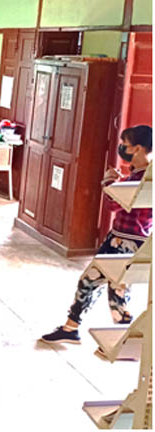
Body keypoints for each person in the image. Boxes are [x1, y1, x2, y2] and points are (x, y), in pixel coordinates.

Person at [41, 125, 152, 346]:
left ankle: (117, 340)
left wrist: (108, 181)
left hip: (126, 242)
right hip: (126, 239)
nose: (122, 148)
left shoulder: (142, 178)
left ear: (138, 148)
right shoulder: (142, 174)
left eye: (125, 145)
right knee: (112, 289)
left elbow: (114, 203)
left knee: (100, 285)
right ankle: (78, 330)